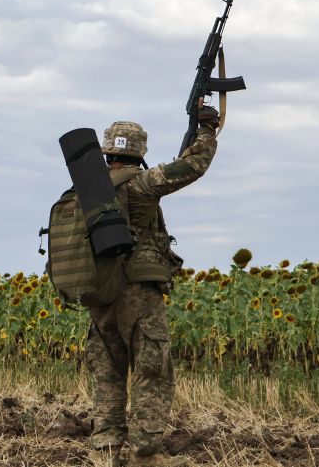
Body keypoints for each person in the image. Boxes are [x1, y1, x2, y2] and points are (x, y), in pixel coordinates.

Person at [87, 102, 220, 467]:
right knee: (151, 370)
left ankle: (105, 451)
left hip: (99, 293)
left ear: (108, 151)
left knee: (108, 371)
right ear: (138, 152)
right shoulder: (141, 183)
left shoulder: (88, 192)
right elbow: (193, 166)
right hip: (137, 293)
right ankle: (145, 455)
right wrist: (207, 131)